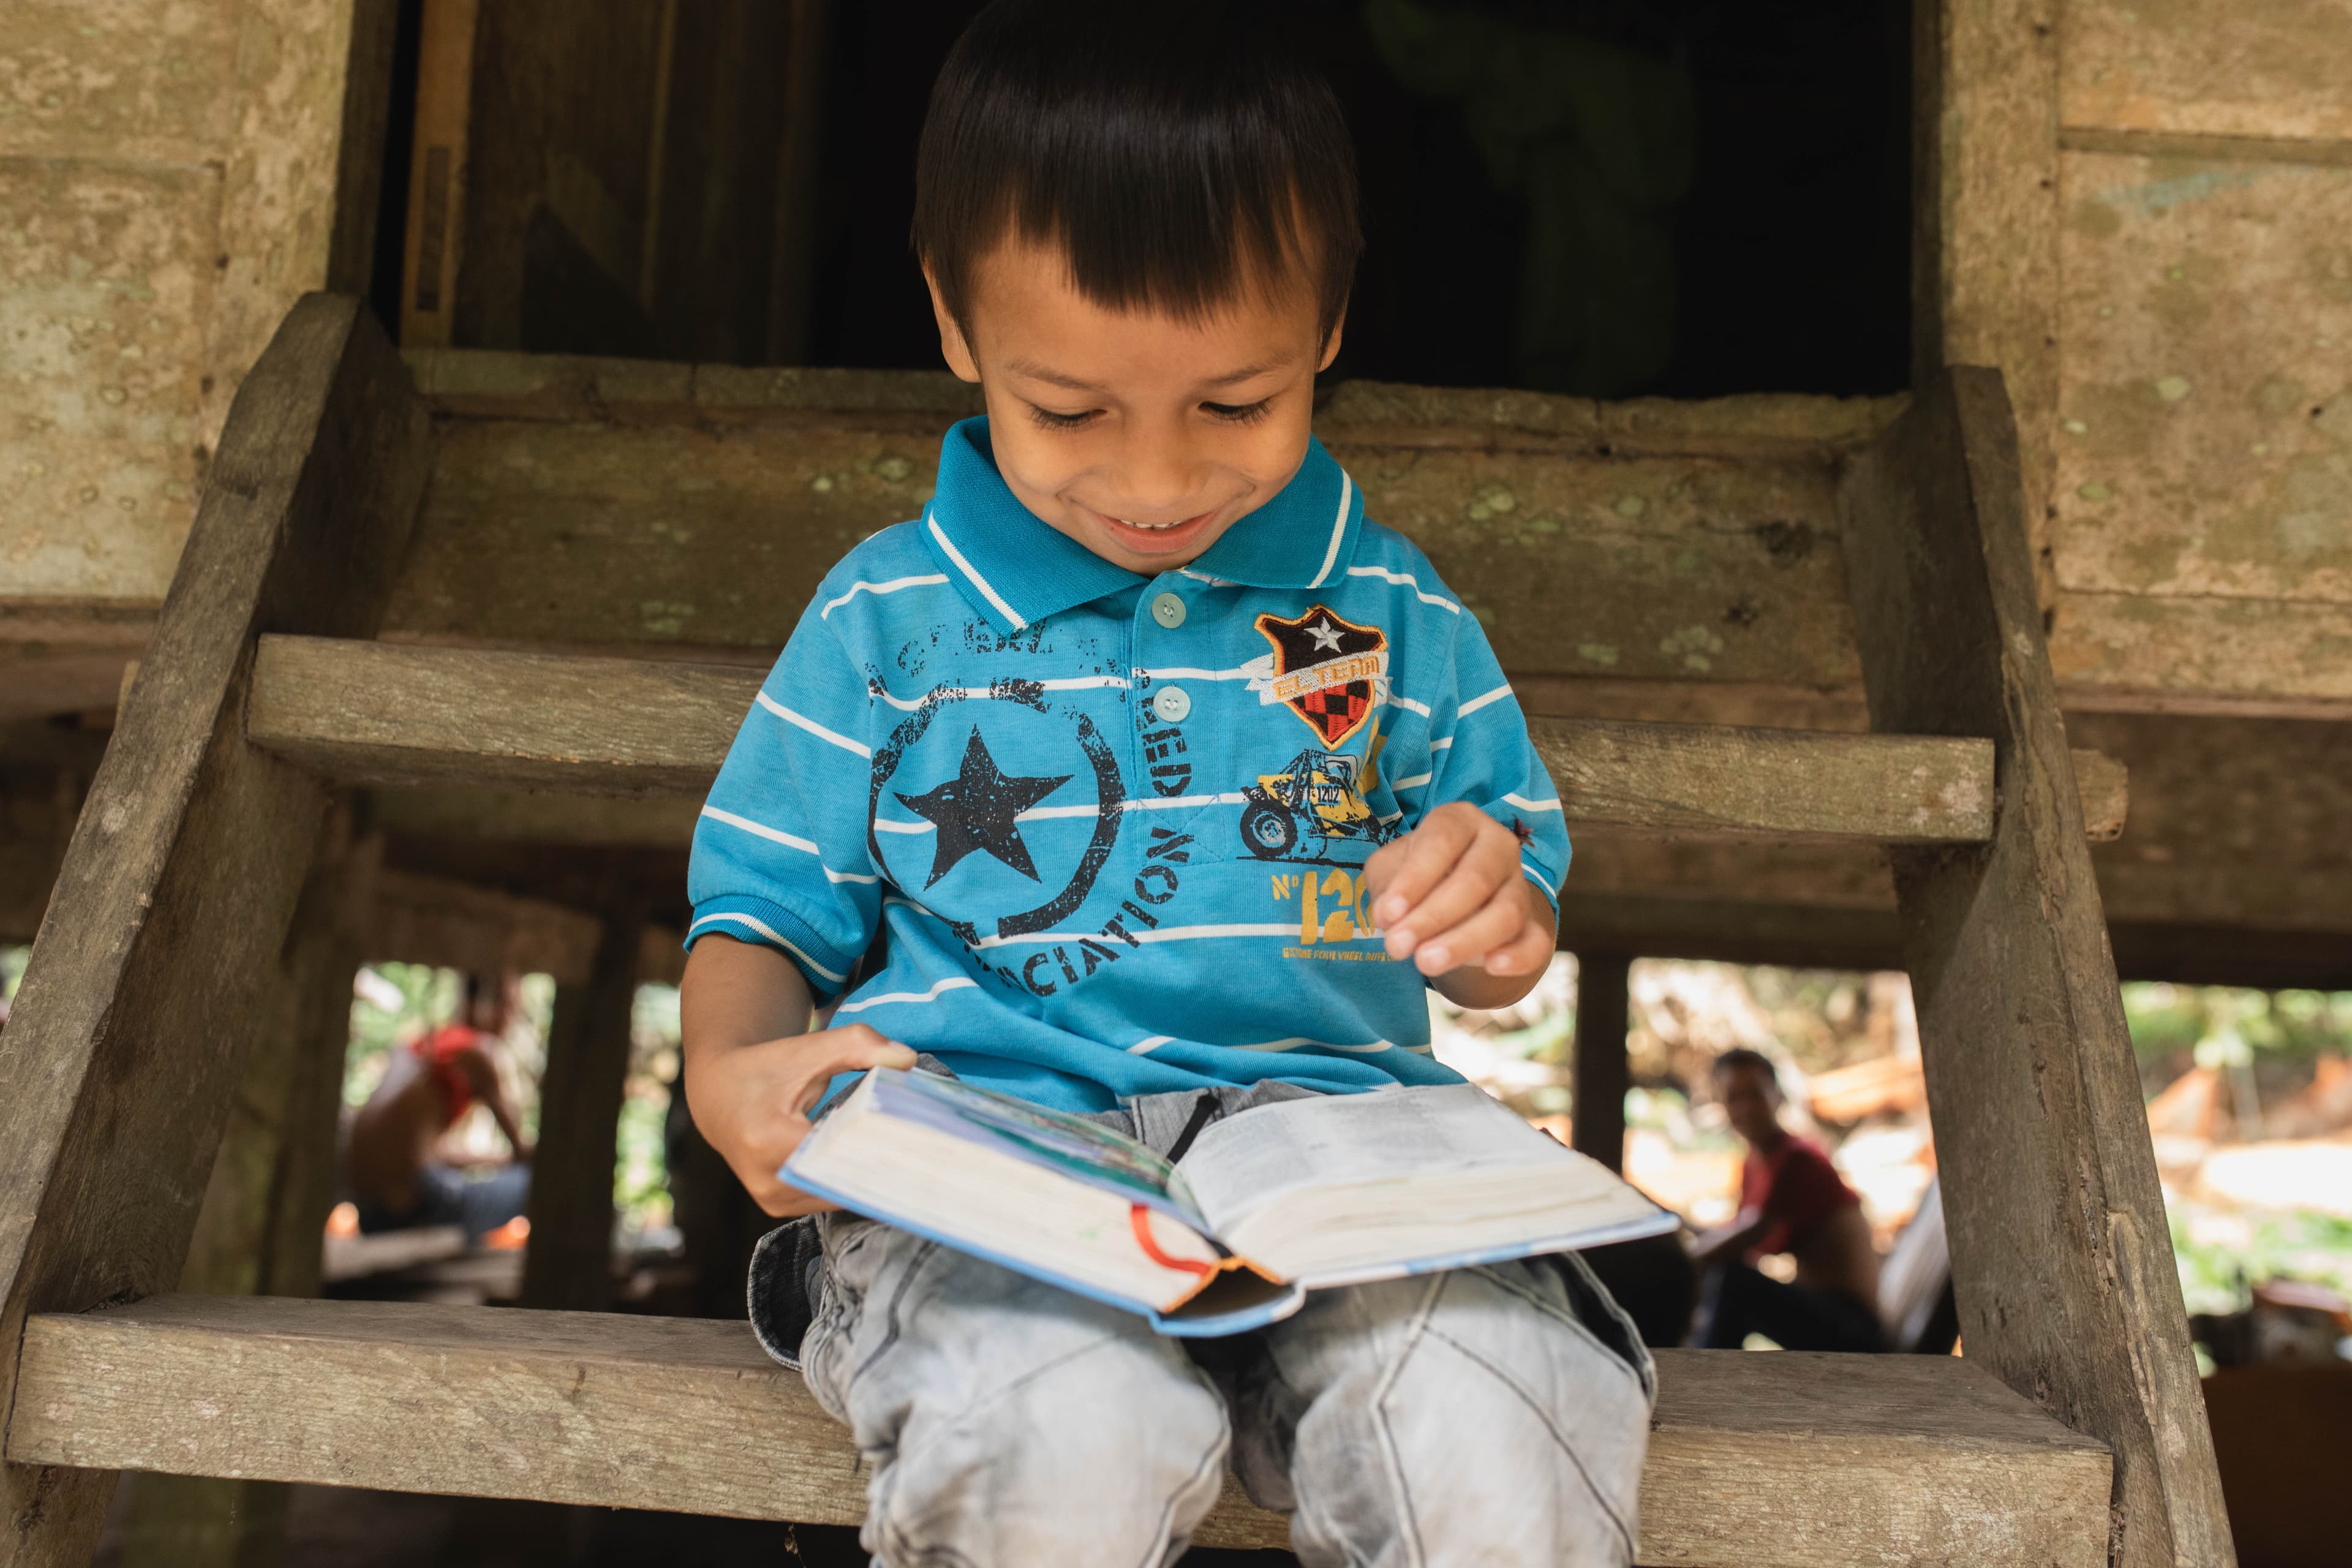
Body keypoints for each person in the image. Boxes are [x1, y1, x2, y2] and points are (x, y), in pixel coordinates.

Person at [677, 6, 1652, 1563]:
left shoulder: (1395, 617)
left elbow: (1499, 931)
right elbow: (759, 906)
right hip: (990, 1180)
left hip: (1348, 1183)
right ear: (950, 322)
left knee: (1490, 1394)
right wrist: (724, 1066)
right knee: (1059, 1418)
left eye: (1233, 405)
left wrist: (1492, 921)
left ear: (1329, 327)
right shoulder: (884, 618)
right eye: (1068, 411)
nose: (1154, 484)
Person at [1687, 1047, 1886, 1351]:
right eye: (1734, 1098)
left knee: (1733, 1282)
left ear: (1777, 1095)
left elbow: (1744, 1239)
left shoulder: (1798, 1160)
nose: (1745, 1108)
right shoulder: (1754, 1164)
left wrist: (1679, 1259)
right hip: (1827, 1312)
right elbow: (1734, 1238)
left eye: (1755, 1094)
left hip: (1855, 1328)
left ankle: (1701, 1386)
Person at [345, 972, 533, 1243]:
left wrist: (496, 1160)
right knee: (531, 1184)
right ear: (485, 1002)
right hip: (411, 1208)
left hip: (368, 1213)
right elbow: (523, 1153)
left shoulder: (422, 1045)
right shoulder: (478, 1053)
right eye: (512, 1005)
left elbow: (421, 1155)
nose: (514, 1017)